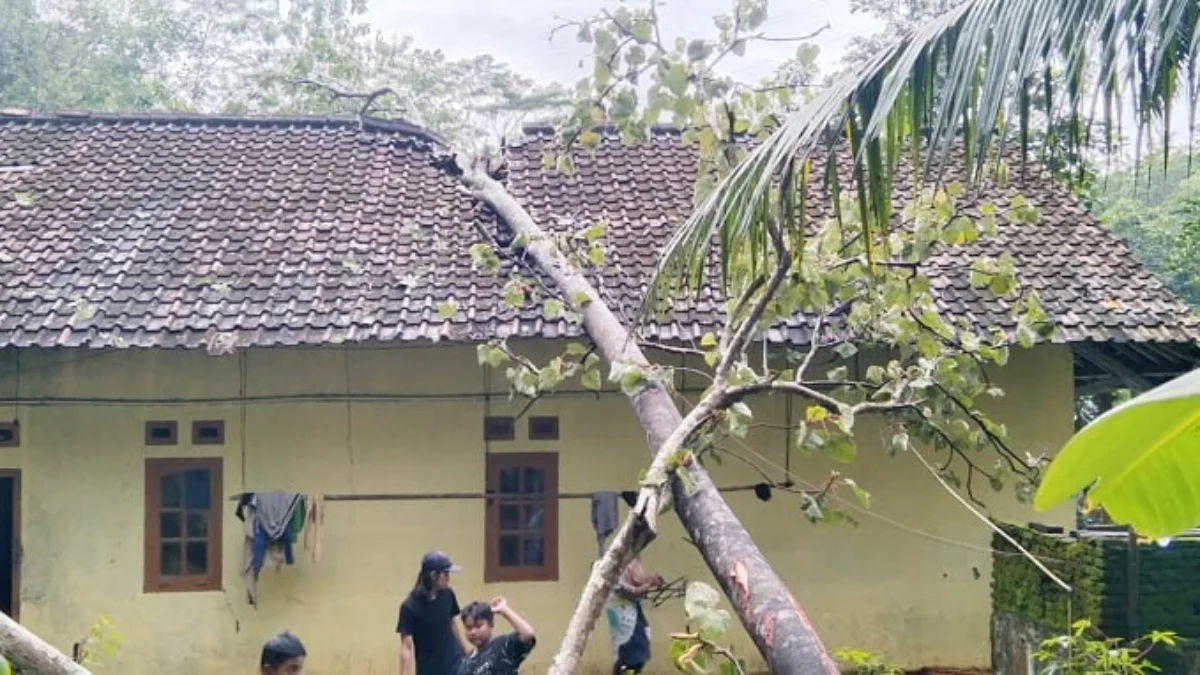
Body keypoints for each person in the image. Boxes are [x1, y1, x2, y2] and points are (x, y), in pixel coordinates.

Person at [398, 550, 470, 675]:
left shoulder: (448, 595)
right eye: (446, 573)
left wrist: (466, 653)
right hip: (430, 670)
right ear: (433, 575)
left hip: (455, 666)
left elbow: (452, 623)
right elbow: (406, 646)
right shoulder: (409, 607)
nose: (448, 578)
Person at [605, 555, 664, 675]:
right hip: (621, 609)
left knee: (642, 642)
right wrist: (649, 584)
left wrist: (651, 579)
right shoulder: (618, 558)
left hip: (632, 608)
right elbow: (626, 590)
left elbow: (637, 580)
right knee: (626, 647)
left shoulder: (634, 555)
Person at [456, 596, 536, 675]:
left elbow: (528, 633)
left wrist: (504, 610)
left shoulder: (504, 645)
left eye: (478, 626)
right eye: (469, 628)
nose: (473, 632)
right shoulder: (465, 665)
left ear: (491, 624)